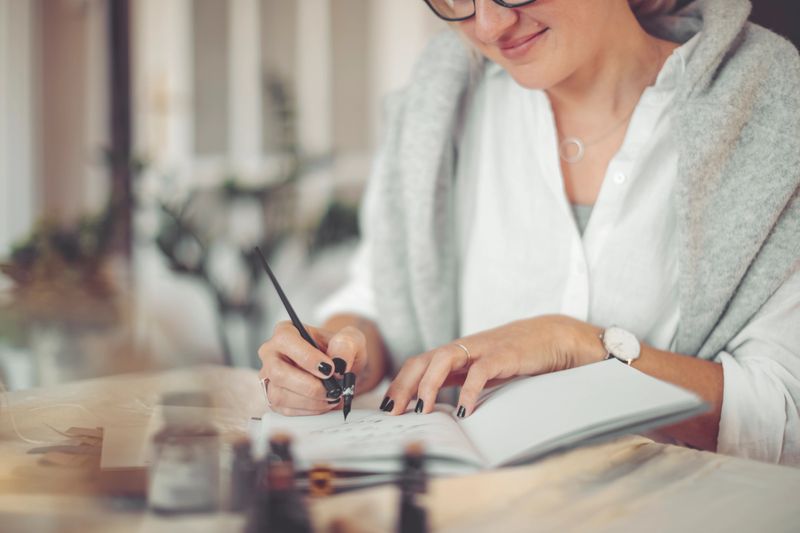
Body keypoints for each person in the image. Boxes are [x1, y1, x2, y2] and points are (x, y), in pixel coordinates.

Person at [257, 0, 800, 466]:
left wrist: (584, 348)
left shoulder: (770, 109)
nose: (489, 26)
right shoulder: (439, 103)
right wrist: (339, 346)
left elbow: (787, 418)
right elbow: (380, 295)